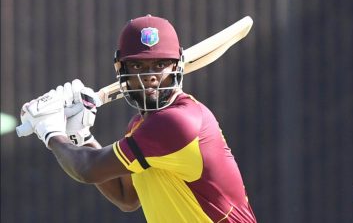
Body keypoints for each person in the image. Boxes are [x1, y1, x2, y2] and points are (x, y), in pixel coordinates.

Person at [19, 15, 257, 222]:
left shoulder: (177, 123)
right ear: (121, 69)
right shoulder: (142, 127)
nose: (150, 76)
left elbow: (87, 169)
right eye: (137, 65)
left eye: (160, 64)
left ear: (177, 65)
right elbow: (126, 196)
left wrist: (50, 132)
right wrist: (80, 136)